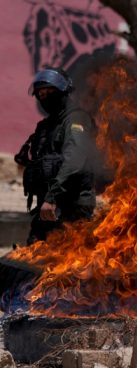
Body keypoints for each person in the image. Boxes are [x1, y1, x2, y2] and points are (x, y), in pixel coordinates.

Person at [14, 67, 98, 245]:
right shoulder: (46, 125)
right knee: (32, 256)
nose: (45, 97)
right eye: (41, 94)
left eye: (49, 91)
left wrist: (52, 196)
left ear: (62, 91)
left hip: (72, 207)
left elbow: (74, 160)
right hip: (47, 206)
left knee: (65, 265)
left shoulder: (76, 119)